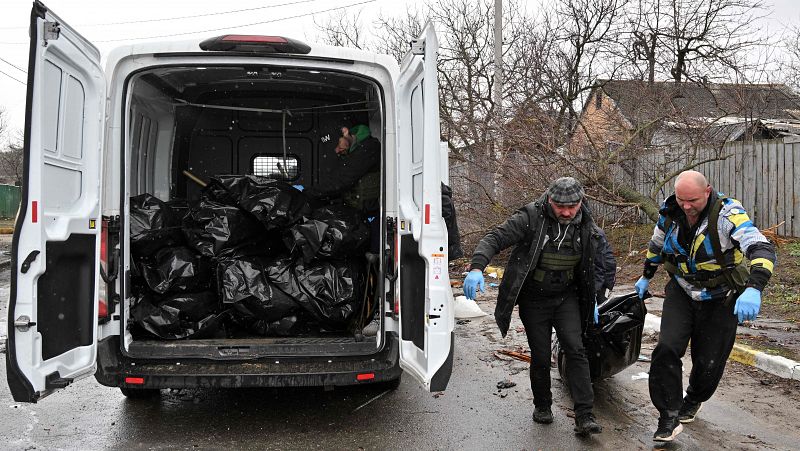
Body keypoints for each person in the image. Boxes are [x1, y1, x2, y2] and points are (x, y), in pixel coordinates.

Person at [463, 177, 616, 436]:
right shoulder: (531, 216)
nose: (566, 212)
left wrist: (597, 298)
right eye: (560, 206)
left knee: (576, 349)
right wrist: (477, 266)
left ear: (581, 202)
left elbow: (602, 261)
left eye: (572, 206)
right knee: (542, 354)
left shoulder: (587, 225)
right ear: (549, 200)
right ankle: (542, 405)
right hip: (534, 298)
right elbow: (496, 237)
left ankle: (584, 415)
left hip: (566, 296)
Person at [634, 170, 776, 442]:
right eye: (681, 199)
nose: (686, 206)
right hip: (682, 290)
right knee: (666, 348)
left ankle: (694, 399)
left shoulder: (728, 215)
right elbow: (657, 244)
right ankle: (668, 416)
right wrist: (646, 275)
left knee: (709, 362)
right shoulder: (670, 211)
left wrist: (754, 288)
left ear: (708, 191)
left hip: (720, 297)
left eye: (693, 201)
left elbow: (760, 247)